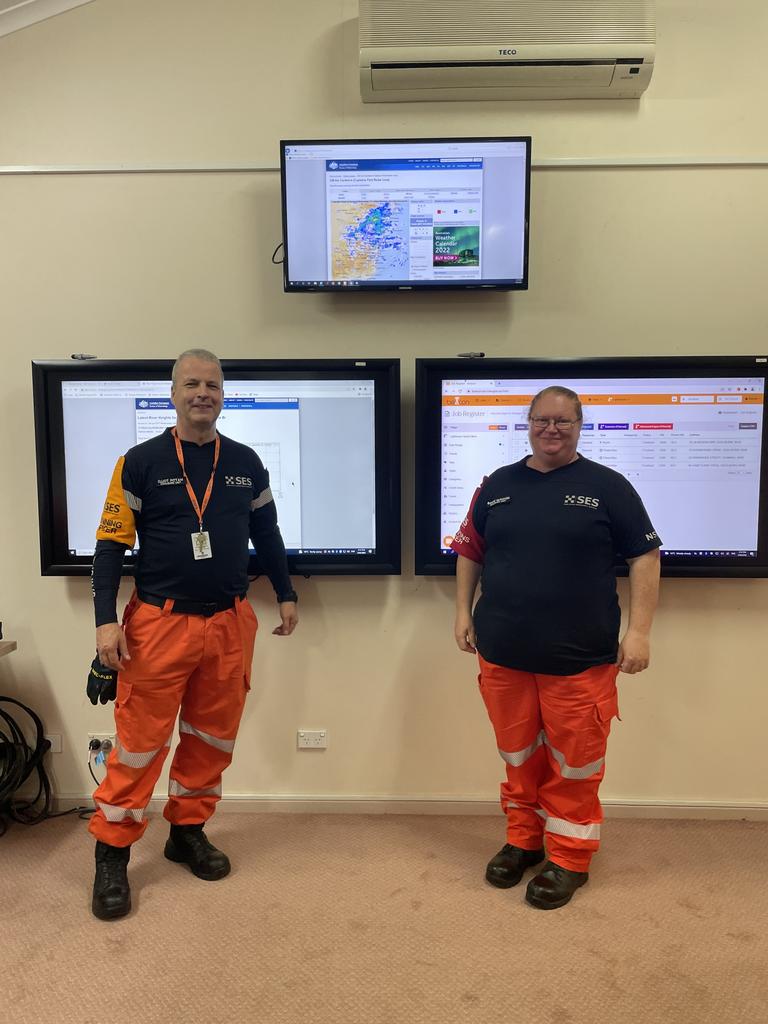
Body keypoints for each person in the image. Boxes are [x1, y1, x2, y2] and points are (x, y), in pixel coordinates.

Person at [88, 349, 298, 920]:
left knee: (211, 740)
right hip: (159, 623)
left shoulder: (247, 462)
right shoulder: (139, 461)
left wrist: (285, 591)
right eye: (191, 383)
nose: (202, 392)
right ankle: (112, 854)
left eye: (212, 384)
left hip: (230, 623)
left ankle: (187, 832)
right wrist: (106, 619)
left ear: (222, 393)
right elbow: (109, 548)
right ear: (173, 392)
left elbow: (268, 532)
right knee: (139, 746)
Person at [451, 385, 660, 910]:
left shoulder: (608, 487)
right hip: (502, 652)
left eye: (563, 421)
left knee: (575, 765)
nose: (551, 429)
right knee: (518, 758)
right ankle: (523, 841)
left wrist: (639, 631)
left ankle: (569, 857)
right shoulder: (497, 485)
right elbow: (469, 551)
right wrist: (461, 612)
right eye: (542, 420)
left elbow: (645, 558)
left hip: (580, 658)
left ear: (579, 425)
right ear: (528, 423)